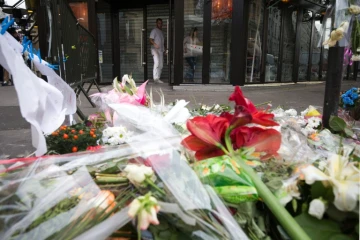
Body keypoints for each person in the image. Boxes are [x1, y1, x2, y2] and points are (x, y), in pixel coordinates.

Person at [149, 18, 165, 84]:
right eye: (159, 23)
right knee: (157, 62)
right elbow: (150, 39)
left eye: (161, 23)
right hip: (155, 50)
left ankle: (158, 78)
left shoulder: (161, 32)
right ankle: (155, 78)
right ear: (156, 23)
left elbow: (163, 42)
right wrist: (155, 44)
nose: (160, 24)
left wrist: (165, 49)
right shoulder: (154, 31)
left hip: (161, 50)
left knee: (161, 65)